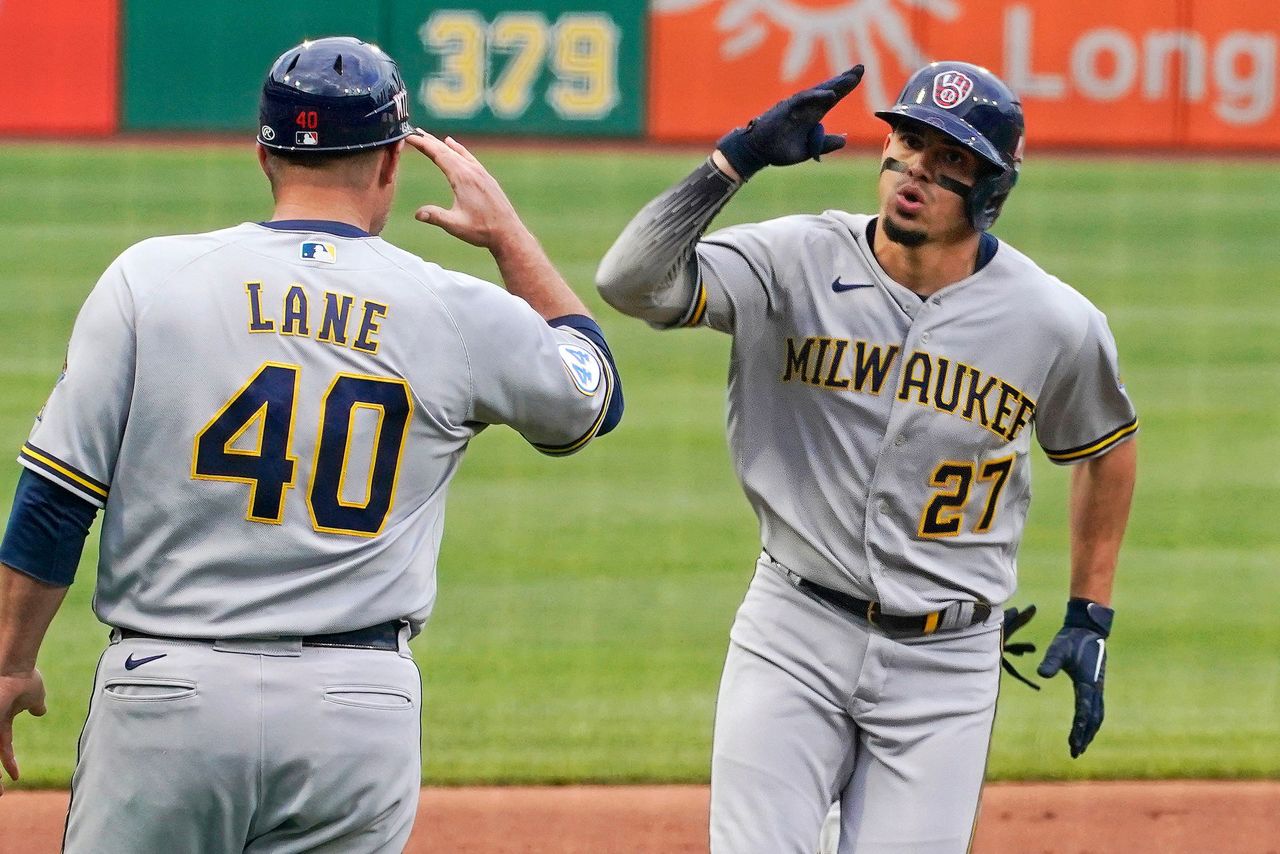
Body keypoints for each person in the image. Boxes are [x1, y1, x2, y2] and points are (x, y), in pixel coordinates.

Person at [0, 36, 621, 852]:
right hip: (355, 710)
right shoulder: (454, 309)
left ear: (263, 152)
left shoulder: (149, 280)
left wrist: (11, 662)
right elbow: (592, 397)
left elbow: (56, 497)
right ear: (393, 162)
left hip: (169, 700)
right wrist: (508, 237)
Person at [596, 60, 1136, 853]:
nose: (917, 167)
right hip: (793, 630)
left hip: (947, 662)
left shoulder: (1052, 321)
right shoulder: (794, 261)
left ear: (992, 188)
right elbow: (628, 282)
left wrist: (1090, 612)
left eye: (950, 157)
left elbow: (1106, 447)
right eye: (909, 140)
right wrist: (735, 158)